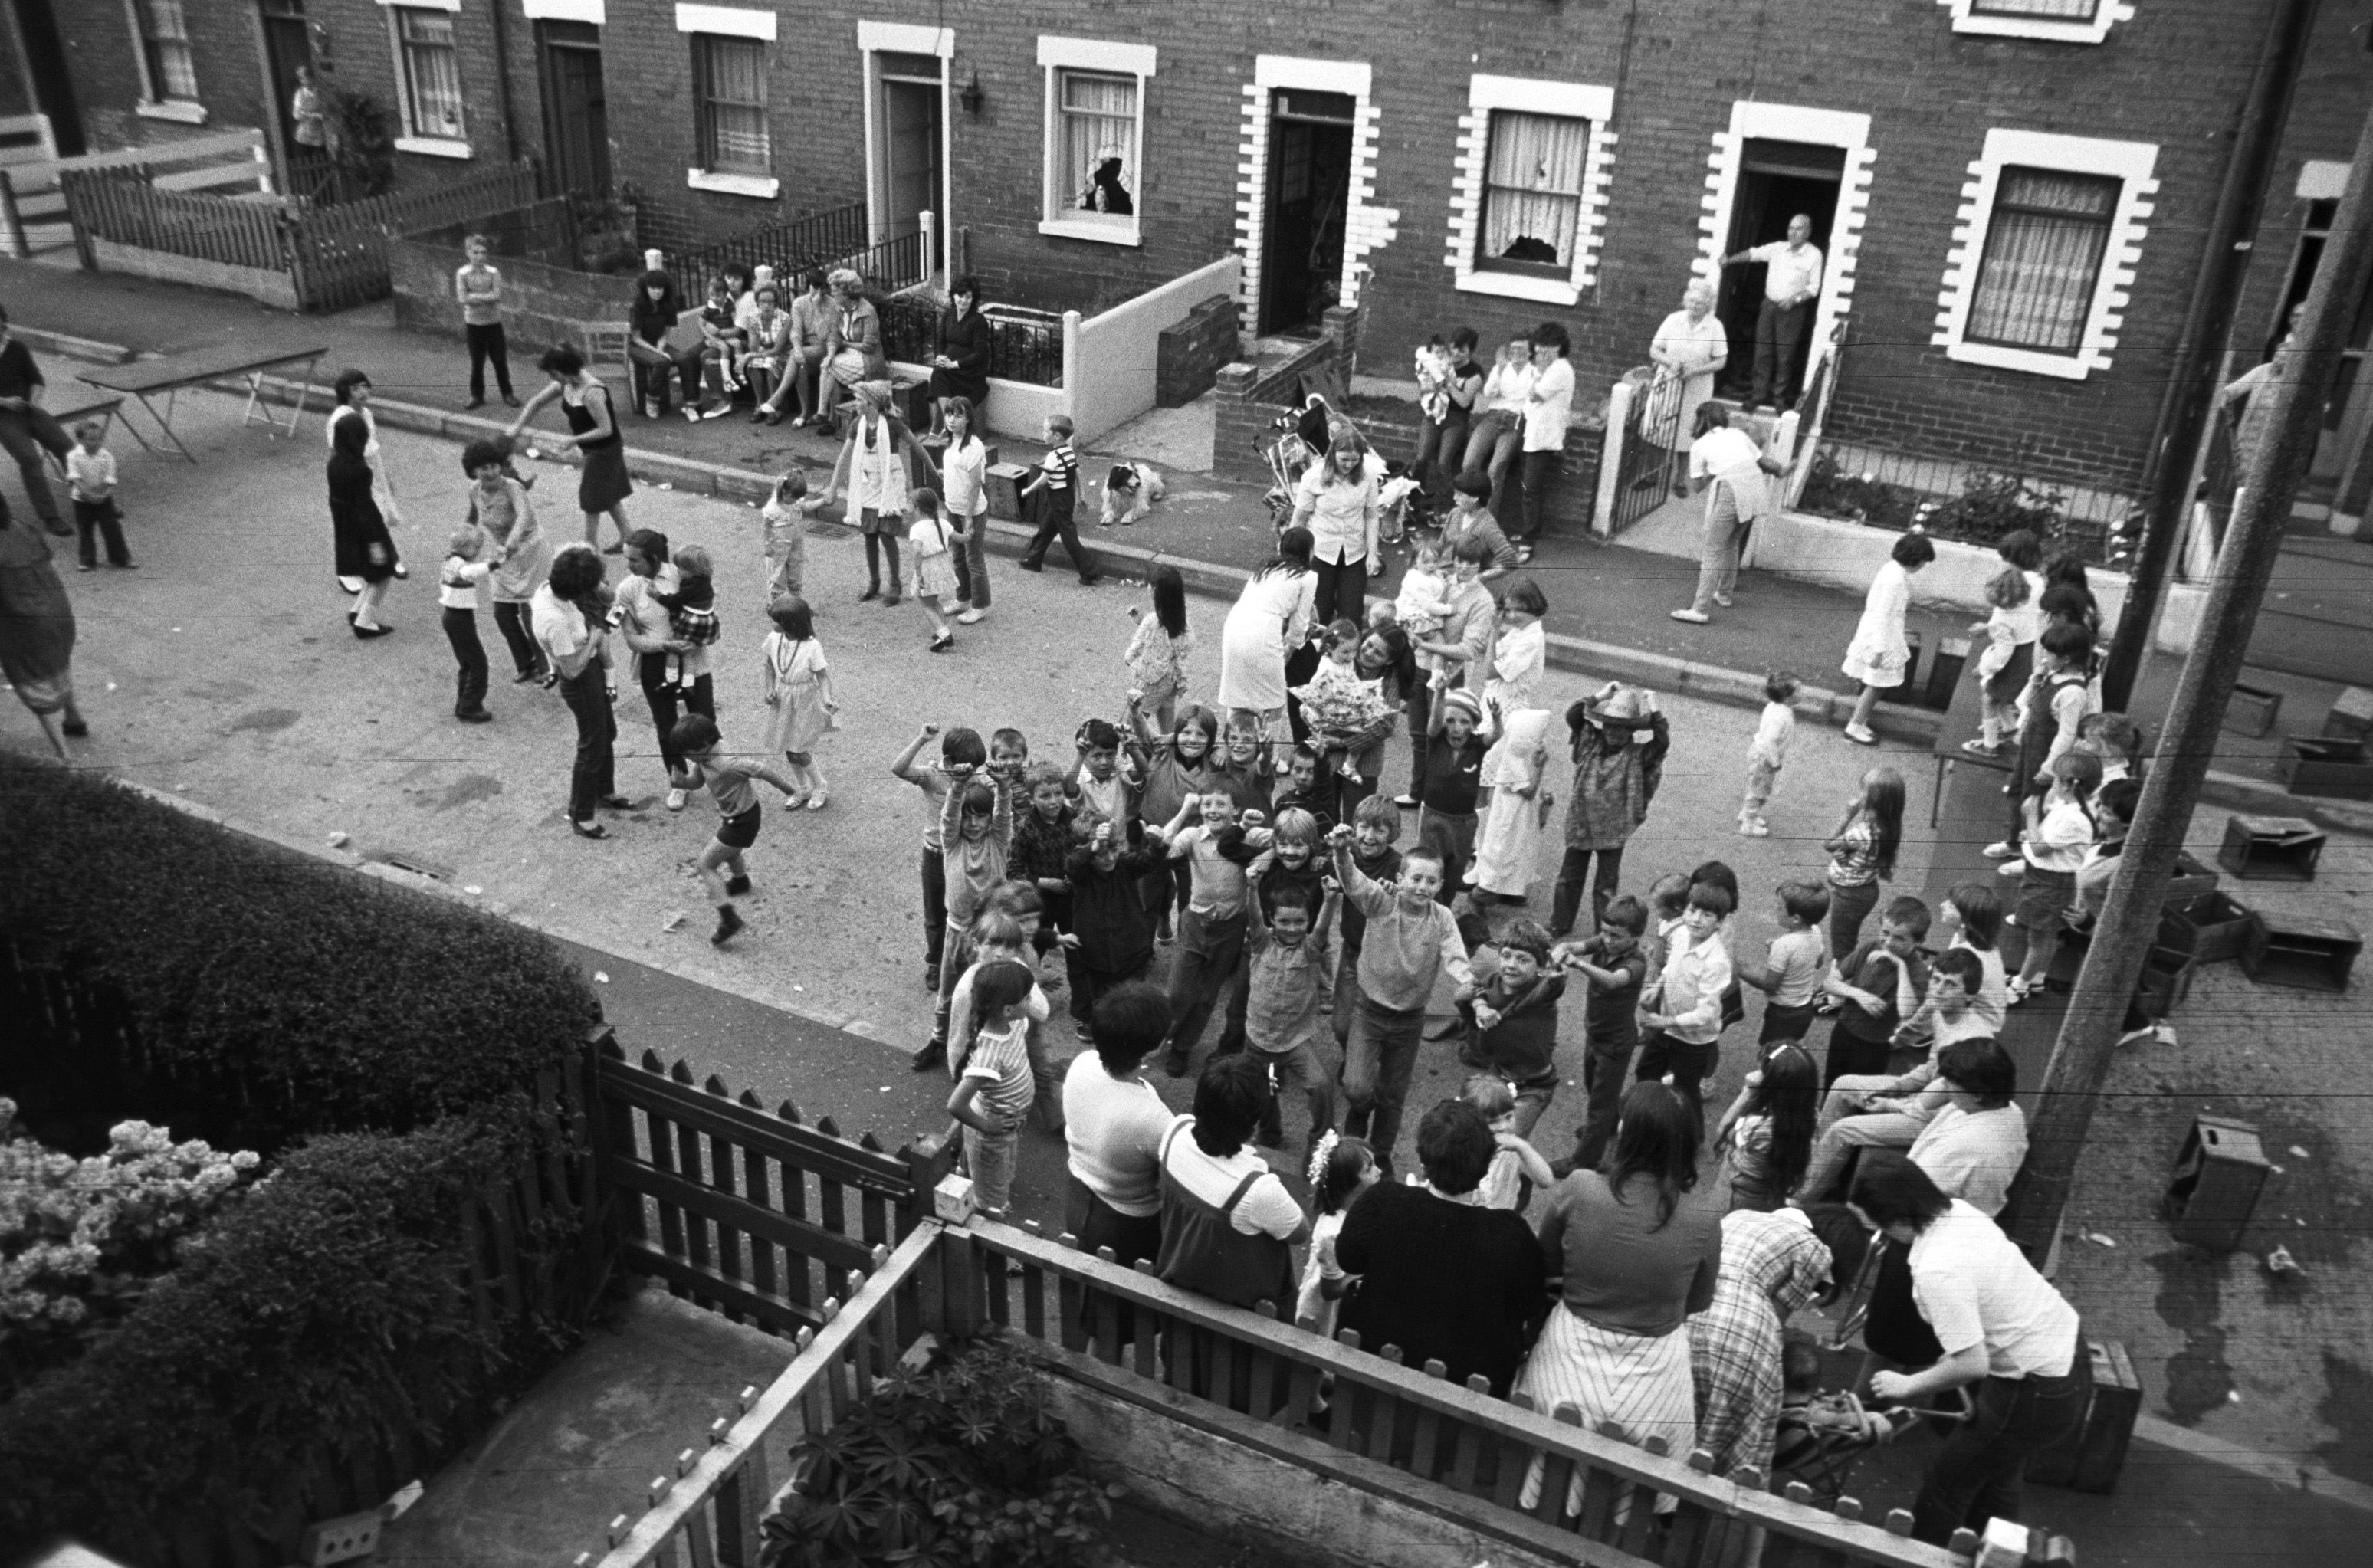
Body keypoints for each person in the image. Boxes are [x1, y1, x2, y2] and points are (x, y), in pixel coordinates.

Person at [1850, 1156, 2087, 1546]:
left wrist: (1907, 1384)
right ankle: (1997, 1554)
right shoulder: (1959, 1212)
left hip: (2033, 1387)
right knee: (1997, 1471)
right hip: (2061, 1350)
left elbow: (1973, 1363)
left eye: (1877, 1226)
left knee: (1947, 1482)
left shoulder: (1935, 1269)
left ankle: (1922, 1556)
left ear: (1896, 1221)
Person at [1518, 1082, 1722, 1515]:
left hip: (1568, 1358)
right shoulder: (1704, 1216)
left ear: (1626, 1130)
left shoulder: (1580, 1187)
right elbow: (1699, 1302)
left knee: (1547, 1474)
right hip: (1656, 1378)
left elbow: (1546, 1262)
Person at [1332, 1099, 1548, 1393]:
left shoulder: (1382, 1201)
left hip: (1372, 1380)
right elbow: (1531, 1304)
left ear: (1423, 1161)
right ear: (1486, 1168)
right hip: (1464, 1395)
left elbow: (1348, 1259)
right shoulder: (1512, 1233)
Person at [1329, 825, 1474, 1171]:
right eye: (1416, 879)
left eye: (1431, 881)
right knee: (1357, 1088)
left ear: (1440, 885)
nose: (1422, 887)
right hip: (1369, 1011)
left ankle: (1379, 1156)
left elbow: (1455, 955)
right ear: (1400, 877)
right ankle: (1358, 1121)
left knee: (1393, 1097)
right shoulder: (1383, 904)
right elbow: (1354, 882)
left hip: (1410, 1020)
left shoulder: (1442, 918)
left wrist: (1471, 986)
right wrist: (1340, 852)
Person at [1685, 1207, 1835, 1480]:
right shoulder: (1811, 1251)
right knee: (1729, 1425)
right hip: (1742, 1330)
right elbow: (1779, 1317)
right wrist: (1824, 1331)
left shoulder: (1738, 1217)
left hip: (1693, 1300)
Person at [1154, 1054, 1309, 1310]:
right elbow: (1299, 1232)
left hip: (1179, 1297)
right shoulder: (1259, 1190)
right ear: (1255, 1122)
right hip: (1244, 1316)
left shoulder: (1175, 1132)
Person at [1062, 982, 1180, 1273]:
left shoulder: (1082, 1063)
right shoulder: (1154, 1118)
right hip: (1127, 1225)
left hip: (1077, 1195)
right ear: (1153, 1050)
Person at [668, 713, 803, 945]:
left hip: (742, 821)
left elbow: (761, 770)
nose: (686, 757)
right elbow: (697, 781)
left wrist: (791, 791)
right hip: (734, 816)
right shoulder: (704, 757)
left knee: (705, 865)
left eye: (688, 753)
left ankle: (729, 918)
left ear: (704, 745)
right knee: (731, 852)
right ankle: (740, 882)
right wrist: (681, 783)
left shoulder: (727, 764)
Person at [1550, 684, 1669, 937]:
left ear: (1632, 731)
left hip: (1614, 828)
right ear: (1602, 725)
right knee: (1568, 878)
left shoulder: (1638, 755)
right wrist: (1602, 695)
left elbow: (1661, 741)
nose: (1615, 732)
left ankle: (1603, 931)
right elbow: (1574, 714)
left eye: (1623, 728)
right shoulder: (1590, 742)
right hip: (1581, 820)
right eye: (1610, 725)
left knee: (1605, 887)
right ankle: (1560, 922)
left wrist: (1653, 705)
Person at [533, 543, 627, 839]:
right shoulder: (555, 620)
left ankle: (603, 790)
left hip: (592, 671)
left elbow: (608, 599)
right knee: (593, 743)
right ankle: (581, 813)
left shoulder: (554, 589)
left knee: (607, 733)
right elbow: (571, 668)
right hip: (580, 679)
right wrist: (594, 640)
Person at [1397, 535, 1499, 805]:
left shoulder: (1483, 601)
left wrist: (1429, 645)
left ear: (1481, 565)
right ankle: (1417, 792)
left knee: (1443, 738)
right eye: (1460, 561)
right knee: (1418, 736)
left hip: (1447, 675)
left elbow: (1471, 650)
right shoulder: (1443, 580)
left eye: (1472, 563)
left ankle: (1437, 797)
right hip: (1419, 665)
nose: (1464, 568)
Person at [821, 380, 940, 607]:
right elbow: (845, 456)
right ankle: (874, 581)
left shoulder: (893, 424)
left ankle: (895, 584)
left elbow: (917, 446)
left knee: (887, 535)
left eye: (859, 399)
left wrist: (933, 470)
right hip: (867, 481)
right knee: (869, 535)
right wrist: (834, 487)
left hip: (890, 482)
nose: (855, 402)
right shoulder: (857, 424)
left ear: (872, 402)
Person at [1242, 874, 1337, 1158]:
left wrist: (1330, 899)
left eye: (1300, 922)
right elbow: (1253, 917)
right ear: (1272, 919)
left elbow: (1321, 930)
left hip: (1295, 1041)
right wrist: (1252, 888)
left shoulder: (1309, 951)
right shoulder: (1261, 944)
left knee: (1320, 1086)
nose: (1292, 928)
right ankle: (1270, 1134)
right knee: (1263, 1091)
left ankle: (1321, 1143)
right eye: (1284, 921)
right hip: (1258, 1038)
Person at [613, 530, 711, 802]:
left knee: (704, 720)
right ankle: (678, 781)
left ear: (653, 558)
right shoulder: (627, 589)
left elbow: (705, 610)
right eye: (627, 559)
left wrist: (697, 638)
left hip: (694, 658)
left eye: (635, 560)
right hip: (655, 663)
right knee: (666, 726)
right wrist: (664, 647)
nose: (629, 566)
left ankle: (714, 774)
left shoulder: (683, 576)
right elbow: (631, 639)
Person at [507, 343, 633, 553]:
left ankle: (589, 546)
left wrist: (572, 440)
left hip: (604, 450)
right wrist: (518, 426)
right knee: (608, 494)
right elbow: (537, 402)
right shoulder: (566, 384)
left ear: (567, 369)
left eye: (555, 374)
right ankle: (628, 537)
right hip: (592, 449)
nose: (553, 380)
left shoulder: (592, 393)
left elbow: (606, 429)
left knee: (591, 499)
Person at [1669, 403, 1784, 625]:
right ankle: (1724, 594)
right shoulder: (1737, 434)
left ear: (1701, 421)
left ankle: (1699, 609)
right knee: (1732, 543)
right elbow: (1762, 462)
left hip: (1733, 489)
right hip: (1756, 487)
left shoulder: (1700, 445)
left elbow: (1696, 487)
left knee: (1713, 549)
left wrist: (1713, 473)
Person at [1637, 877, 1735, 1127]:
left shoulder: (1716, 962)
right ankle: (1643, 1120)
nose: (1696, 919)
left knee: (1686, 1089)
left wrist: (1665, 1020)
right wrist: (1656, 986)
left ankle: (1693, 1137)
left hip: (1693, 1040)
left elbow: (1707, 1014)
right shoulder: (1681, 933)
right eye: (1693, 910)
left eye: (1707, 915)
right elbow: (1672, 965)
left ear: (1720, 923)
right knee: (1645, 1073)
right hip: (1667, 1028)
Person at [1457, 918, 1566, 1137]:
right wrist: (1478, 1005)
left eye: (1523, 959)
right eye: (1506, 956)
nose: (1511, 965)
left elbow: (1556, 983)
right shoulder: (1493, 981)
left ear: (1541, 967)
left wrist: (1556, 970)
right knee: (1479, 1133)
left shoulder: (1541, 992)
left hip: (1534, 1086)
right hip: (1498, 1074)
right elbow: (1472, 994)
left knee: (1508, 1141)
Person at [2008, 750, 2100, 1006]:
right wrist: (2034, 832)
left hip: (2051, 883)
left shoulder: (2075, 818)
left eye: (2057, 780)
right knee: (2045, 936)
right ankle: (2037, 978)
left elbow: (2040, 848)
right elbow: (2045, 839)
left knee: (2038, 939)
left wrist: (2031, 816)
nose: (2053, 784)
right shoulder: (2070, 807)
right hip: (2045, 878)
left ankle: (2019, 986)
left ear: (2070, 784)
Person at [949, 959, 1039, 1215]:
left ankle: (967, 1177)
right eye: (1027, 997)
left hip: (1006, 1121)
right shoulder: (989, 1055)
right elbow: (955, 1104)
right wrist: (987, 1126)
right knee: (992, 1194)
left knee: (993, 1167)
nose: (1030, 1001)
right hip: (993, 1129)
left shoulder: (1016, 1024)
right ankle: (989, 1214)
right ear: (1008, 1009)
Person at [1216, 529, 1318, 755]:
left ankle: (1231, 750)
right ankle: (1270, 758)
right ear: (1309, 551)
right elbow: (1299, 624)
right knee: (1274, 702)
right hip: (1264, 632)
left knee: (1237, 693)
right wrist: (1291, 647)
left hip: (1235, 625)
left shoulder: (1265, 569)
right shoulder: (1308, 577)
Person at [0, 492, 86, 756]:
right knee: (58, 664)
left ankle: (63, 754)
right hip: (56, 612)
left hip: (23, 626)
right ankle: (74, 718)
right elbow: (46, 558)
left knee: (32, 683)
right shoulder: (22, 528)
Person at [461, 438, 551, 686]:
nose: (490, 472)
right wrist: (463, 540)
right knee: (502, 614)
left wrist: (512, 542)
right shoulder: (474, 491)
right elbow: (473, 517)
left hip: (529, 551)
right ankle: (525, 662)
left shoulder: (512, 487)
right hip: (503, 555)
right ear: (473, 471)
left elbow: (523, 515)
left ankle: (546, 667)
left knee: (529, 615)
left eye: (493, 466)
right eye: (483, 468)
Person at [1820, 895, 1931, 1091]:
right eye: (1885, 933)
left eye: (1899, 938)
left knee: (1857, 1096)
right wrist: (1859, 995)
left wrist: (1900, 966)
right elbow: (1829, 983)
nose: (1888, 943)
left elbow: (1907, 1012)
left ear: (1918, 942)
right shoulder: (1871, 947)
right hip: (1844, 1032)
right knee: (1831, 1085)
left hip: (1874, 1046)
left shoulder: (1917, 971)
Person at [1720, 212, 1824, 412]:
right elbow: (1753, 254)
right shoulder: (1778, 248)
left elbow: (1814, 288)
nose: (1793, 232)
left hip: (1792, 310)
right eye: (1791, 228)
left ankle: (1779, 398)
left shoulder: (1814, 255)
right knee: (1762, 351)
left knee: (1784, 354)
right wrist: (1730, 261)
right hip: (1769, 307)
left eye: (1799, 228)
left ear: (1808, 232)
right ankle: (1757, 395)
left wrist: (1795, 299)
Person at [1840, 530, 1936, 745]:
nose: (1923, 566)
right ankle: (1854, 726)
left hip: (1881, 633)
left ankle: (1859, 721)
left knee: (1877, 683)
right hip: (1881, 637)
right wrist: (1879, 648)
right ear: (1914, 559)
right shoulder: (1895, 581)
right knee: (1877, 683)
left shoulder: (1892, 570)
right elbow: (1882, 615)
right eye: (1922, 562)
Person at [326, 370, 400, 638]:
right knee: (383, 573)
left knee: (372, 574)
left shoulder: (336, 465)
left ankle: (358, 610)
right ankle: (365, 621)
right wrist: (376, 542)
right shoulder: (360, 470)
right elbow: (366, 510)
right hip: (367, 531)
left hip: (346, 527)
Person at [1964, 531, 2044, 758]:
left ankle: (1990, 746)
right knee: (2000, 695)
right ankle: (2009, 728)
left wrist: (1983, 668)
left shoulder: (2009, 585)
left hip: (2013, 652)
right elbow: (2018, 617)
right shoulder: (2034, 583)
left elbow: (2002, 649)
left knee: (1989, 697)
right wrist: (1991, 627)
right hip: (2029, 646)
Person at [1712, 1043, 1819, 1211]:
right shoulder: (1806, 1114)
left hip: (1739, 1193)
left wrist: (1748, 1091)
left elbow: (1723, 1131)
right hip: (1772, 1190)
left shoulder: (1758, 1126)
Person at [1291, 430, 1380, 625]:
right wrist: (1290, 556)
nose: (1349, 465)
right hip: (1321, 553)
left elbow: (1372, 516)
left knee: (1351, 616)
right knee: (1319, 614)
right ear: (1333, 454)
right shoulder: (1313, 476)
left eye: (1355, 460)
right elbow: (1299, 519)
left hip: (1354, 553)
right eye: (1344, 459)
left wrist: (1373, 554)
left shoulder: (1369, 477)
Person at [1644, 280, 1728, 489]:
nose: (1694, 306)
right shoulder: (1673, 320)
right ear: (1685, 301)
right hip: (1668, 382)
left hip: (1696, 388)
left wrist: (1696, 370)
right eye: (1690, 301)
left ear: (1708, 305)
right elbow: (1654, 351)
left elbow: (1721, 361)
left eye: (1699, 303)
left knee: (1689, 432)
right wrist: (1670, 362)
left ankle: (1681, 480)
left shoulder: (1715, 327)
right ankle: (1652, 476)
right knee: (1658, 427)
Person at [1467, 701, 1552, 907]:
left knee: (1518, 857)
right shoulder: (1510, 764)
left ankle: (1510, 891)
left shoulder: (1524, 762)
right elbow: (1529, 792)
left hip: (1518, 825)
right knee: (1501, 860)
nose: (1540, 745)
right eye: (1537, 739)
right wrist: (1540, 769)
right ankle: (1479, 899)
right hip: (1506, 828)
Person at [0, 307, 75, 540]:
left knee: (69, 449)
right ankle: (50, 516)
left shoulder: (17, 348)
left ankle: (92, 501)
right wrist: (4, 402)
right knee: (30, 458)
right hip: (4, 415)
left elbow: (36, 379)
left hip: (29, 409)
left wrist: (35, 400)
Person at [1296, 1132, 1379, 1337]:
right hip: (1325, 1312)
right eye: (1369, 1169)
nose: (1380, 1171)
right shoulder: (1333, 1232)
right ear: (1347, 1183)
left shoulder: (1354, 1211)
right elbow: (1330, 1290)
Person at [758, 595, 836, 809]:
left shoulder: (812, 647)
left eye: (776, 620)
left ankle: (820, 786)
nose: (772, 623)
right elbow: (768, 667)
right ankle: (802, 788)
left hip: (804, 700)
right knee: (788, 747)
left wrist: (827, 698)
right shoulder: (774, 639)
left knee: (799, 749)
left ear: (790, 623)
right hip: (783, 698)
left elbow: (822, 676)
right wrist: (769, 689)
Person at [1416, 687, 1489, 904]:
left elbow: (1494, 736)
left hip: (1463, 823)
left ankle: (1444, 910)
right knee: (1430, 867)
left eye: (1464, 722)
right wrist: (1439, 693)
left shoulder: (1476, 746)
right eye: (1450, 721)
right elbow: (1434, 720)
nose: (1456, 729)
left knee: (1455, 873)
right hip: (1434, 817)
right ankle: (1425, 908)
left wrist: (1496, 719)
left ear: (1474, 725)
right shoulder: (1436, 741)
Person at [1823, 766, 1905, 959]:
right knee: (1848, 938)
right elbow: (1863, 852)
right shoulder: (1888, 826)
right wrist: (1846, 856)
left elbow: (1828, 844)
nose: (1859, 794)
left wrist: (1847, 815)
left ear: (1874, 800)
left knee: (1841, 947)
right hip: (1865, 888)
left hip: (1849, 896)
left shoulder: (1861, 833)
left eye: (1864, 791)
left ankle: (1842, 982)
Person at [1737, 881, 1830, 1047]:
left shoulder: (1784, 945)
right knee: (1790, 1045)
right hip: (1805, 1008)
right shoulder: (1816, 931)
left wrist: (1740, 968)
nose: (1776, 911)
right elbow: (1818, 962)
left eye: (1780, 908)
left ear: (1796, 919)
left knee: (1771, 1051)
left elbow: (1770, 985)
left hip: (1783, 1013)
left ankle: (1770, 1072)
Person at [1512, 322, 1575, 559]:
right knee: (1526, 484)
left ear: (1558, 348)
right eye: (1537, 351)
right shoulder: (1547, 367)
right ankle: (1527, 530)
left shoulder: (1560, 369)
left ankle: (1528, 542)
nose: (1539, 355)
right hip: (1530, 428)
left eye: (1544, 351)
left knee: (1531, 488)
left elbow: (1534, 394)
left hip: (1544, 436)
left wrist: (1536, 372)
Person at [1018, 414, 1101, 586]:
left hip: (1058, 498)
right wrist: (1081, 496)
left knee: (1068, 536)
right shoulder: (1069, 451)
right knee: (1047, 528)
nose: (1043, 433)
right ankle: (1033, 559)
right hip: (1067, 497)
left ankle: (1089, 571)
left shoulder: (1053, 456)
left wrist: (1027, 490)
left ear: (1056, 436)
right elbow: (1077, 473)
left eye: (1045, 430)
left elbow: (1043, 480)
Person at [1459, 334, 1535, 511]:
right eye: (1514, 348)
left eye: (1522, 349)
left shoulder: (1534, 371)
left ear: (1530, 352)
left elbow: (1532, 399)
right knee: (1469, 464)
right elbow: (1488, 393)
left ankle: (1487, 520)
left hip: (1515, 422)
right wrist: (1500, 370)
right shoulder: (1501, 367)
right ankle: (1466, 511)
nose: (1516, 352)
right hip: (1492, 418)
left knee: (1496, 470)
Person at [1413, 328, 1484, 509]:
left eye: (1462, 350)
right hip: (1435, 413)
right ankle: (1414, 500)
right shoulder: (1439, 360)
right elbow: (1425, 386)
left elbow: (1463, 402)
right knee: (1421, 458)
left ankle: (1447, 506)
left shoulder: (1475, 373)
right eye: (1454, 348)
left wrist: (1446, 382)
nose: (1456, 354)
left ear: (1471, 352)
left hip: (1456, 418)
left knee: (1444, 462)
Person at [939, 396, 992, 622]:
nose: (952, 420)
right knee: (958, 557)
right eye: (949, 414)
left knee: (974, 559)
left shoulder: (973, 447)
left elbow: (975, 485)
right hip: (953, 507)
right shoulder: (951, 441)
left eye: (958, 415)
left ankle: (980, 605)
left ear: (968, 418)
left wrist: (969, 518)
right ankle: (963, 599)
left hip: (972, 511)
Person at [1124, 566, 1193, 733]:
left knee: (1132, 724)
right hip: (1170, 678)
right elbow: (1171, 640)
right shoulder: (1181, 620)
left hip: (1151, 681)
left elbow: (1134, 649)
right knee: (1167, 725)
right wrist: (1140, 621)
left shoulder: (1152, 621)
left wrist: (1130, 660)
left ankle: (1131, 755)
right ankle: (1170, 755)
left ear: (1155, 590)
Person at [626, 268, 702, 419]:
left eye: (660, 288)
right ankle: (651, 399)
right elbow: (636, 338)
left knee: (685, 359)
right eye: (653, 288)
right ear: (645, 288)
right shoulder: (638, 307)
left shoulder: (669, 306)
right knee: (662, 362)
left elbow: (665, 333)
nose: (657, 291)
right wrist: (659, 353)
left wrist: (660, 347)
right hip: (639, 346)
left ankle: (690, 404)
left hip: (659, 343)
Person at [437, 525, 494, 723]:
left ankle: (464, 702)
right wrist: (493, 565)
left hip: (453, 617)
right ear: (468, 548)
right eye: (477, 548)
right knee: (479, 663)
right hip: (460, 618)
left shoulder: (450, 561)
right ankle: (470, 706)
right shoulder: (459, 565)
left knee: (467, 662)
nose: (478, 552)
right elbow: (470, 572)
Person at [454, 233, 517, 410]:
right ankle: (477, 396)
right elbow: (462, 298)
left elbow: (497, 295)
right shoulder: (462, 273)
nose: (480, 256)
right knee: (477, 362)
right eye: (476, 252)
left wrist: (473, 296)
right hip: (474, 325)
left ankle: (508, 393)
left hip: (493, 323)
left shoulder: (493, 273)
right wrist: (484, 297)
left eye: (483, 252)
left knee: (499, 360)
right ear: (468, 253)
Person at [821, 268, 888, 423]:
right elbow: (833, 335)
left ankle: (825, 413)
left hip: (867, 359)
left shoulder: (868, 311)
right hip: (848, 355)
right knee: (829, 364)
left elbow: (869, 347)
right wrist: (830, 354)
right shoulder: (839, 309)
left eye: (835, 293)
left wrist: (843, 343)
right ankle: (831, 417)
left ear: (847, 294)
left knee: (830, 367)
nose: (833, 296)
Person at [1738, 671, 1800, 838]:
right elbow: (1769, 742)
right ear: (1787, 697)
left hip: (1760, 754)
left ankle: (1747, 814)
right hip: (1764, 759)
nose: (1802, 694)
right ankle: (1748, 824)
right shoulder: (1780, 717)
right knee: (1759, 792)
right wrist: (1775, 762)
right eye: (1798, 691)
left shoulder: (1777, 707)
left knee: (1756, 787)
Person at [929, 275, 992, 435]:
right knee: (938, 373)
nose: (963, 300)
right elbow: (940, 341)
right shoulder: (948, 315)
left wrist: (954, 364)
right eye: (960, 296)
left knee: (941, 373)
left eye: (968, 297)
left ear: (973, 299)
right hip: (949, 368)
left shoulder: (978, 321)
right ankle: (949, 421)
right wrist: (940, 356)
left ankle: (949, 425)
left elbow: (980, 353)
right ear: (953, 296)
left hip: (969, 372)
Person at [65, 420, 131, 572]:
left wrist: (104, 495)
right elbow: (75, 479)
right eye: (91, 439)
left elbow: (110, 479)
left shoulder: (107, 456)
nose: (96, 443)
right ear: (80, 440)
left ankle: (121, 558)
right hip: (81, 500)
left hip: (104, 498)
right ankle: (87, 560)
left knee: (112, 528)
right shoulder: (73, 457)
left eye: (99, 439)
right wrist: (88, 494)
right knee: (85, 529)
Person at [905, 487, 960, 652]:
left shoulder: (917, 529)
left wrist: (919, 574)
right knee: (934, 601)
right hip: (942, 566)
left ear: (917, 508)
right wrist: (969, 534)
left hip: (928, 568)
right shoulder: (943, 523)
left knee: (926, 604)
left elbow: (917, 553)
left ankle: (944, 633)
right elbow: (959, 538)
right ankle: (943, 629)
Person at [737, 286, 795, 423]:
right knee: (753, 364)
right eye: (763, 301)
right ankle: (759, 404)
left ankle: (774, 406)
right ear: (758, 302)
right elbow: (754, 347)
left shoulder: (785, 319)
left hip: (783, 354)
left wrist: (754, 354)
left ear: (776, 303)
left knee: (770, 363)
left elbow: (778, 349)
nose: (767, 305)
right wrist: (752, 330)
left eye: (770, 302)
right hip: (762, 354)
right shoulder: (753, 318)